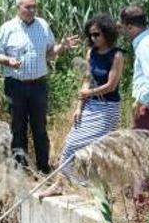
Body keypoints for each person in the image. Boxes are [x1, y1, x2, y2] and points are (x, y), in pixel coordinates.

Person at [0, 0, 80, 173]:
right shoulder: (8, 28)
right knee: (18, 128)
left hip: (39, 85)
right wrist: (8, 61)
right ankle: (20, 170)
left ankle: (43, 169)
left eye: (34, 7)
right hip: (15, 85)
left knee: (40, 127)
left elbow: (50, 52)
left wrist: (61, 47)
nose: (32, 10)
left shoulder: (43, 26)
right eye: (28, 7)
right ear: (19, 8)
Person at [39, 13, 124, 197]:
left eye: (97, 35)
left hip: (107, 108)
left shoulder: (116, 56)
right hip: (90, 106)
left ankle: (97, 187)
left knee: (94, 147)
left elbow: (111, 86)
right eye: (91, 35)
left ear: (107, 34)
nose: (93, 38)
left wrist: (90, 93)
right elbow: (86, 80)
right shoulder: (90, 53)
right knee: (71, 143)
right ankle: (63, 184)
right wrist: (79, 106)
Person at [119, 5, 149, 136]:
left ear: (130, 27)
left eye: (123, 27)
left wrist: (141, 104)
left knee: (135, 151)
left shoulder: (145, 45)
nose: (122, 31)